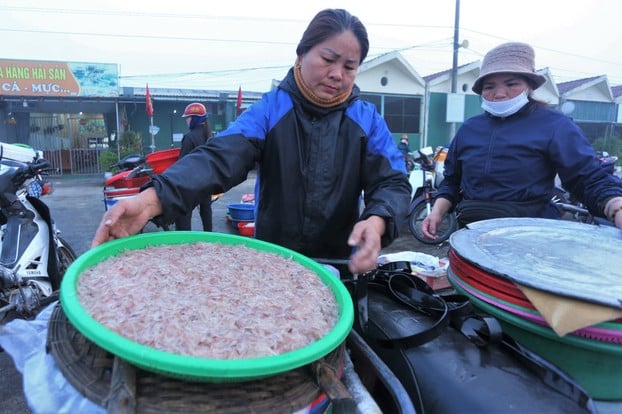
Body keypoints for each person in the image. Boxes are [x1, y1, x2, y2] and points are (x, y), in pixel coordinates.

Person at [92, 9, 411, 274]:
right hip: (272, 265)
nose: (337, 74)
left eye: (349, 66)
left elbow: (393, 182)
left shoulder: (366, 119)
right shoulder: (272, 110)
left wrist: (378, 220)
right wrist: (151, 200)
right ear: (301, 54)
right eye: (328, 59)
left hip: (342, 269)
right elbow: (217, 158)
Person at [421, 42, 622, 242]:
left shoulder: (555, 125)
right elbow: (452, 181)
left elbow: (588, 177)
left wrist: (619, 209)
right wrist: (437, 212)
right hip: (472, 233)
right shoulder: (469, 129)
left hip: (530, 237)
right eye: (489, 87)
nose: (500, 94)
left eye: (511, 84)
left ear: (529, 85)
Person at [174, 102, 213, 232]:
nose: (186, 121)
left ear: (195, 119)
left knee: (184, 214)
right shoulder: (210, 137)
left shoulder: (189, 137)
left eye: (188, 118)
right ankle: (209, 237)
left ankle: (185, 241)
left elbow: (182, 164)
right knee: (206, 211)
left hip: (191, 183)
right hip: (207, 181)